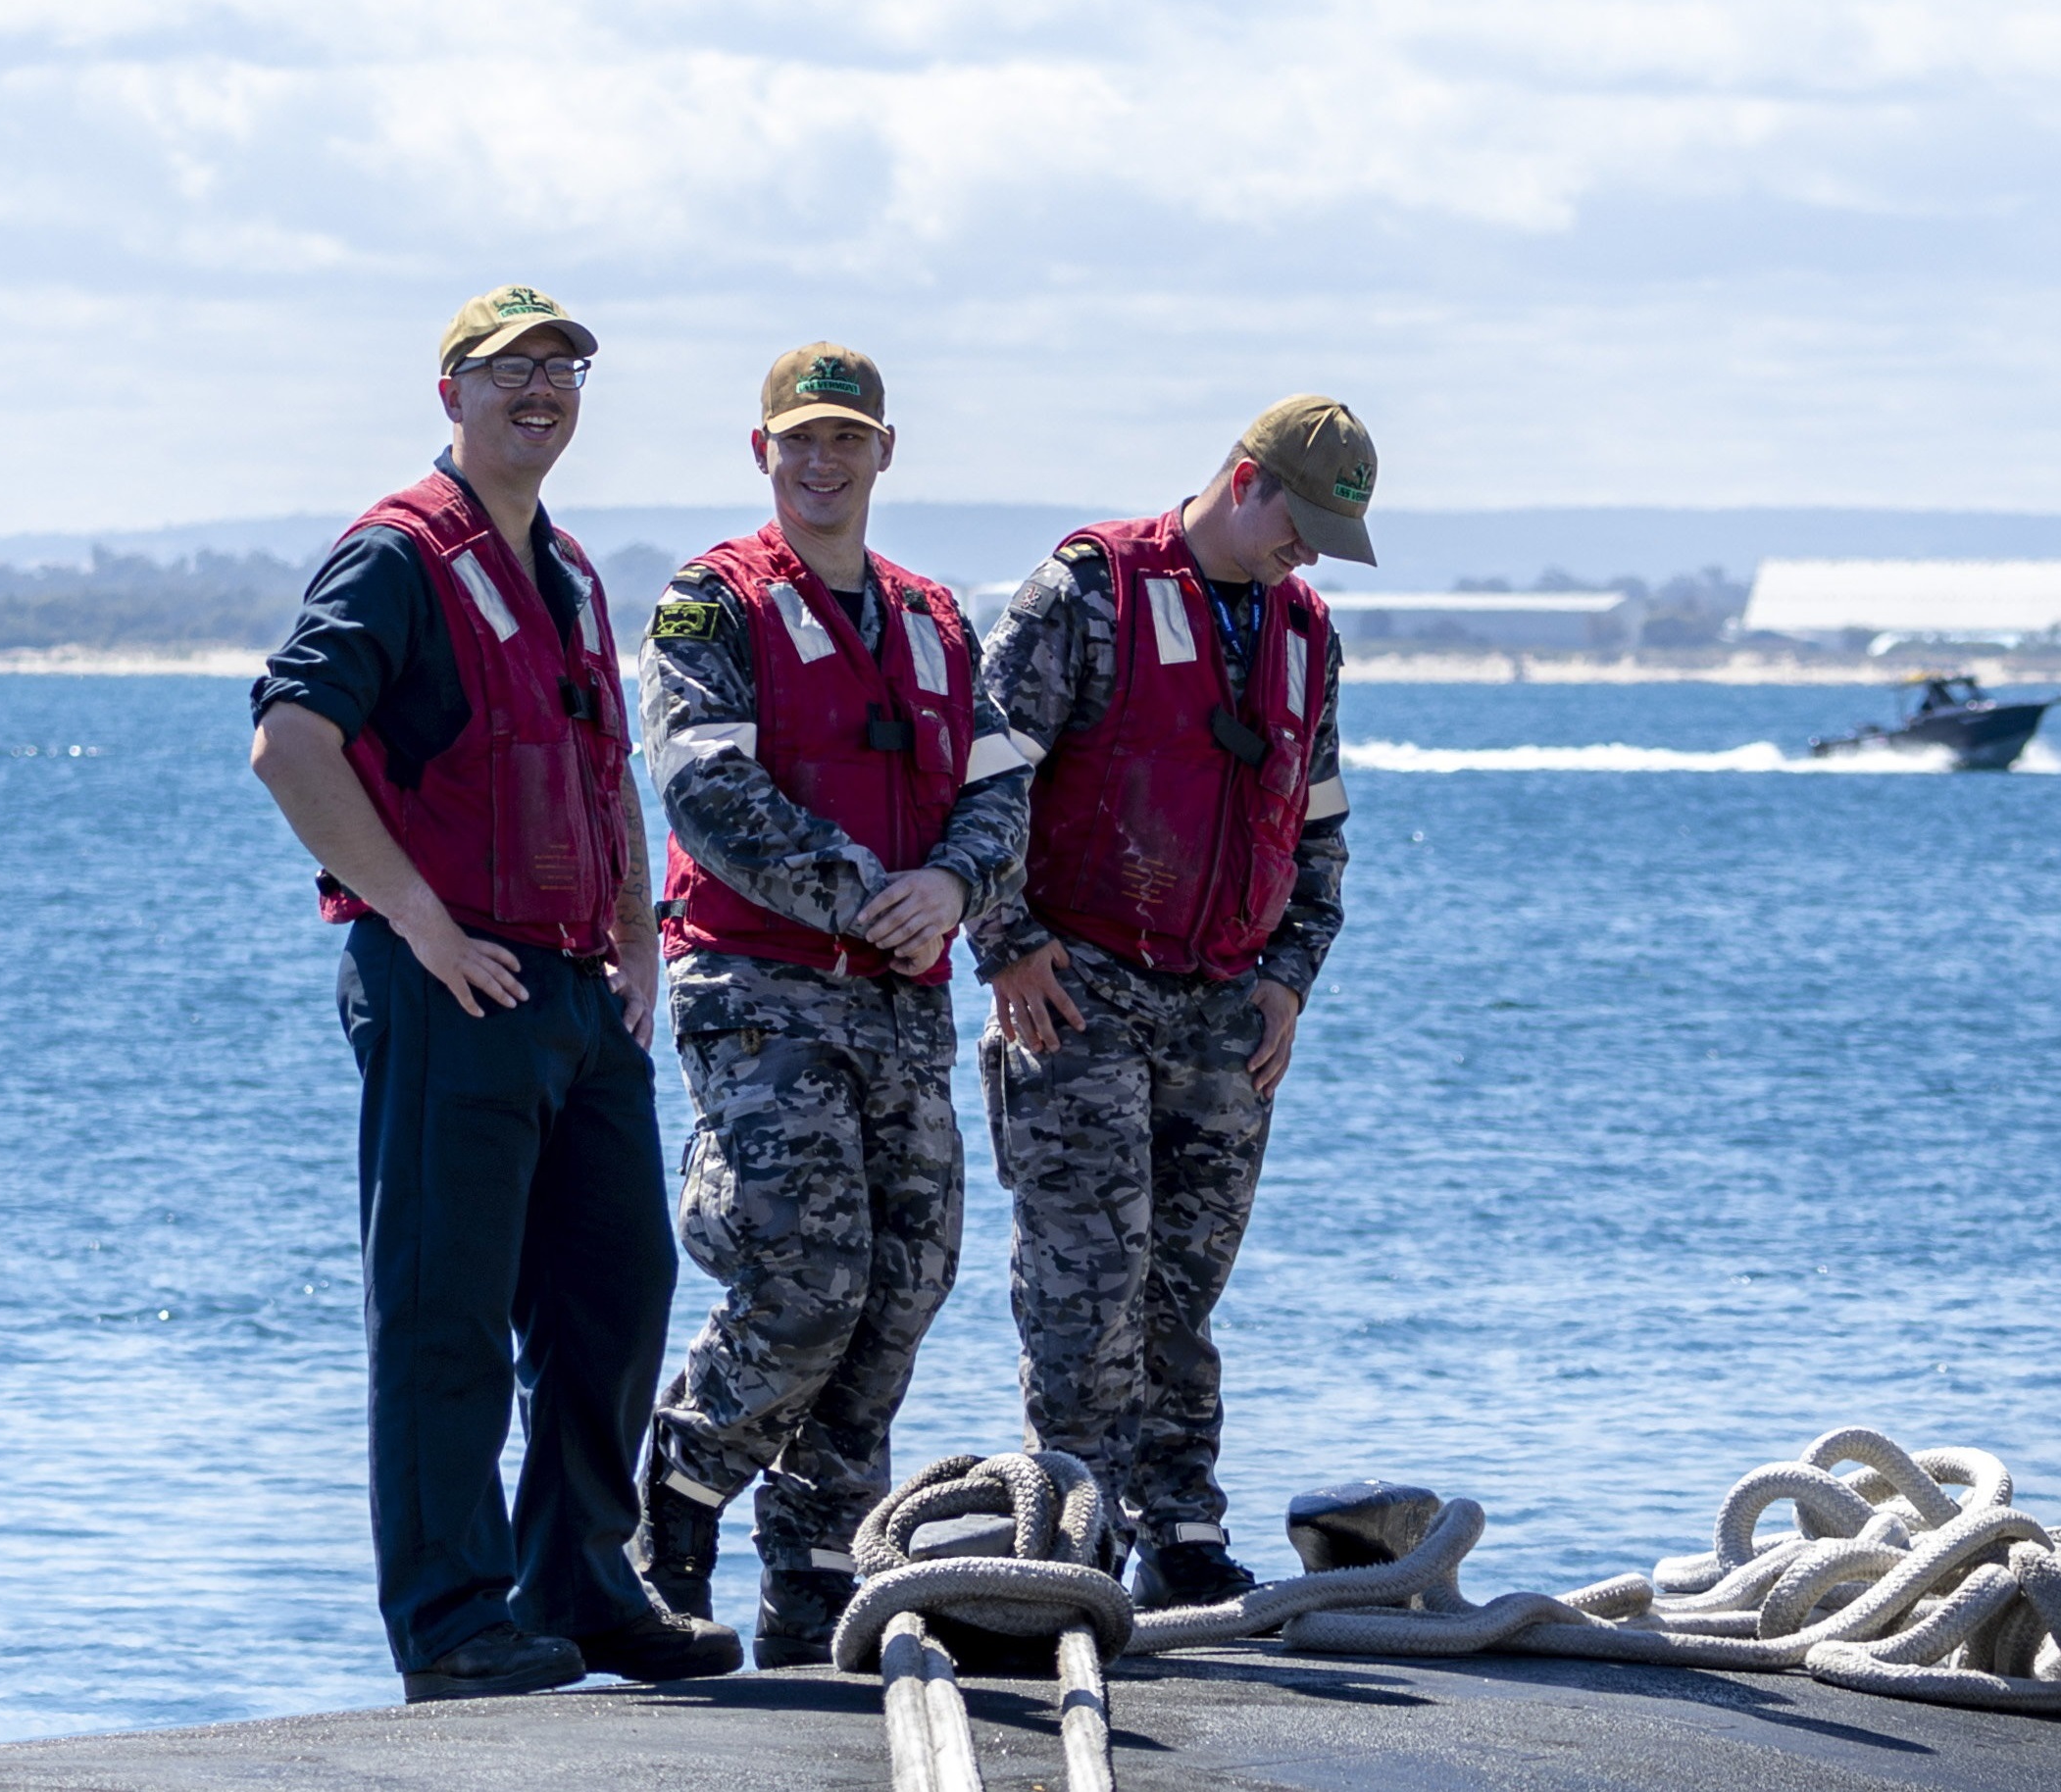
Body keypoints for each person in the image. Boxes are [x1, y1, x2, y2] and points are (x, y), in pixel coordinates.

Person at [250, 284, 741, 1702]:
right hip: (449, 990)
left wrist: (641, 939)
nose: (542, 388)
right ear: (450, 391)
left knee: (616, 1291)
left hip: (581, 999)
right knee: (446, 1313)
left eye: (565, 366)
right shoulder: (395, 556)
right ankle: (455, 1623)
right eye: (511, 368)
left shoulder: (574, 571)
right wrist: (416, 919)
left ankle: (582, 1585)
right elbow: (292, 742)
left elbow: (602, 768)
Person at [629, 344, 1030, 1665]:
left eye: (846, 440)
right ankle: (676, 1508)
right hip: (761, 989)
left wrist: (957, 883)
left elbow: (999, 788)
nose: (822, 463)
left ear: (884, 452)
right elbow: (704, 789)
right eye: (799, 441)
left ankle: (812, 1573)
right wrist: (866, 892)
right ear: (764, 455)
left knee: (906, 1281)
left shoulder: (935, 618)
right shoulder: (712, 605)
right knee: (805, 1279)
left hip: (901, 1003)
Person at [971, 395, 1363, 1608]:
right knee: (1085, 1289)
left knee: (1184, 1294)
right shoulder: (1086, 591)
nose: (1310, 553)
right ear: (1246, 480)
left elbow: (1322, 824)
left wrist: (1290, 975)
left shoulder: (1305, 630)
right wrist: (1006, 945)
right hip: (1078, 994)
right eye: (1302, 523)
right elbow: (981, 773)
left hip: (1224, 1009)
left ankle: (1183, 1527)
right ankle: (1072, 1533)